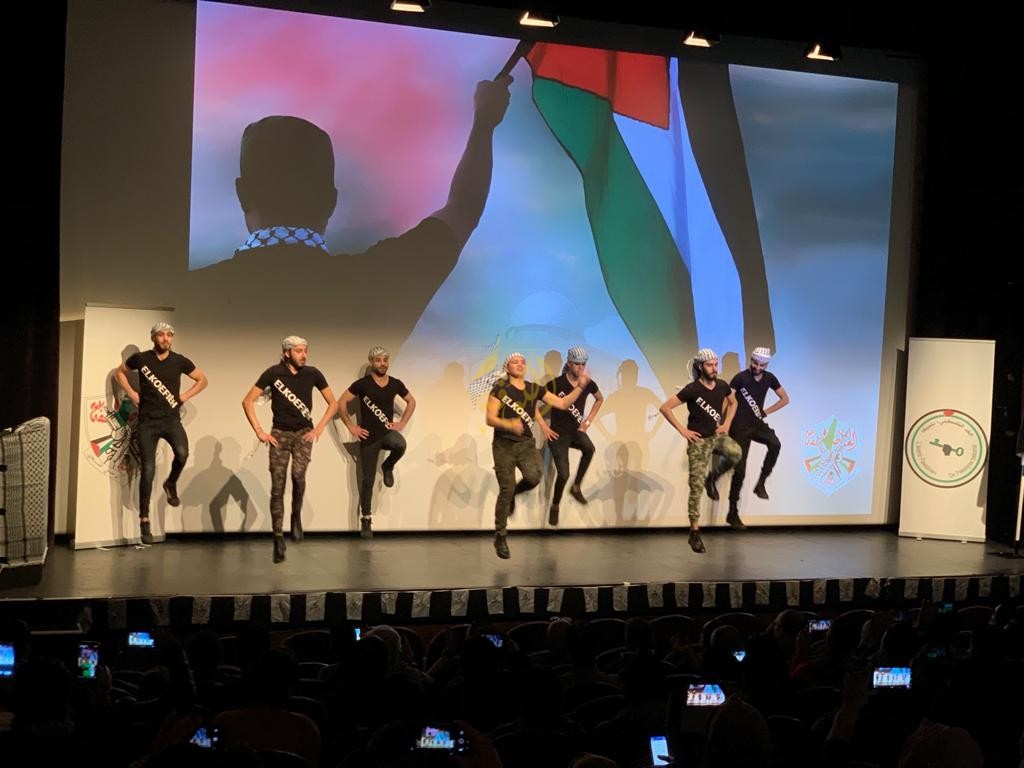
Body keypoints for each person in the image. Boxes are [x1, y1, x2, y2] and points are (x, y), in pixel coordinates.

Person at [242, 336, 337, 563]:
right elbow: (247, 401)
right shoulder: (273, 373)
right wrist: (259, 431)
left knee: (298, 476)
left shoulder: (312, 373)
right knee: (277, 487)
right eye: (299, 351)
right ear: (287, 353)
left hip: (303, 433)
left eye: (305, 351)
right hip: (280, 434)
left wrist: (318, 429)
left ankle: (295, 515)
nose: (304, 355)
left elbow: (333, 403)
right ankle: (277, 537)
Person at [486, 352, 590, 559]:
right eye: (515, 362)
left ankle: (515, 493)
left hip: (525, 444)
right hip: (503, 445)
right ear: (507, 367)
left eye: (523, 362)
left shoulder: (534, 389)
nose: (520, 364)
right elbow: (490, 418)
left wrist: (579, 387)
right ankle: (500, 536)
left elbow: (562, 404)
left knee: (534, 477)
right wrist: (508, 424)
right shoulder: (500, 389)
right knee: (505, 489)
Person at [116, 322, 208, 545]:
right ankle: (144, 520)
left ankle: (171, 483)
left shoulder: (179, 361)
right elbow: (119, 373)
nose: (165, 339)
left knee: (183, 454)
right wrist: (131, 393)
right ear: (153, 338)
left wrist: (184, 397)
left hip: (170, 420)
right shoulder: (141, 359)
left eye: (169, 335)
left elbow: (202, 380)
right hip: (147, 422)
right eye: (161, 335)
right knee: (148, 470)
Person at [658, 348, 741, 553]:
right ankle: (694, 532)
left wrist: (727, 424)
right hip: (699, 442)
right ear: (700, 366)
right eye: (710, 365)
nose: (714, 368)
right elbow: (665, 408)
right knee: (695, 487)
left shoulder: (722, 386)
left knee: (736, 452)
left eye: (716, 364)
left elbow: (733, 402)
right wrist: (683, 431)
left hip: (715, 437)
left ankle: (712, 477)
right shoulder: (692, 389)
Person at [337, 346, 416, 539]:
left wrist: (402, 422)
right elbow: (341, 403)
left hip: (386, 434)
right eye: (378, 360)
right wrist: (351, 427)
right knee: (368, 480)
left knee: (400, 444)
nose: (382, 364)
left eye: (385, 360)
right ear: (372, 362)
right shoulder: (362, 384)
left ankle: (388, 466)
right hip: (369, 438)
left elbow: (411, 401)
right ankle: (366, 519)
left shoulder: (395, 383)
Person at [711, 346, 789, 529]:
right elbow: (728, 401)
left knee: (775, 444)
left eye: (762, 365)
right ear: (751, 360)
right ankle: (732, 513)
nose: (758, 367)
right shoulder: (740, 378)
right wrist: (721, 423)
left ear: (766, 364)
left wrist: (765, 412)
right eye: (755, 363)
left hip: (756, 424)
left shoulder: (770, 378)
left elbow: (785, 399)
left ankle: (761, 483)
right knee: (740, 471)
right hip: (739, 426)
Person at [538, 346, 603, 526]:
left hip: (575, 432)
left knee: (589, 448)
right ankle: (555, 505)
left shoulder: (588, 383)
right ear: (568, 363)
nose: (580, 368)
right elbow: (534, 404)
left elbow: (599, 399)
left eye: (583, 364)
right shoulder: (555, 384)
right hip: (558, 434)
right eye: (576, 364)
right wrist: (543, 426)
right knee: (564, 474)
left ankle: (576, 487)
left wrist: (587, 422)